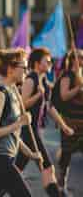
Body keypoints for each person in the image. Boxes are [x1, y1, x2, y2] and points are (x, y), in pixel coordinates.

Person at [0, 48, 42, 197]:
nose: (26, 72)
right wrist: (19, 123)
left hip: (8, 156)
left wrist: (30, 153)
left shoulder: (13, 91)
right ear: (10, 69)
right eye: (24, 67)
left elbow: (13, 133)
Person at [15, 48, 74, 197]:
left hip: (36, 130)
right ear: (36, 63)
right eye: (46, 61)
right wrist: (37, 95)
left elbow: (49, 107)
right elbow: (22, 105)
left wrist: (63, 126)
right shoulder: (30, 79)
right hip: (28, 130)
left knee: (17, 169)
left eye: (50, 61)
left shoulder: (44, 82)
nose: (50, 63)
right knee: (47, 167)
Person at [52, 49, 83, 196]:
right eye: (81, 58)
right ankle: (60, 186)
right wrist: (78, 88)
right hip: (70, 122)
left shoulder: (80, 76)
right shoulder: (68, 76)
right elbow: (64, 96)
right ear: (74, 60)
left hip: (81, 122)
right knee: (67, 155)